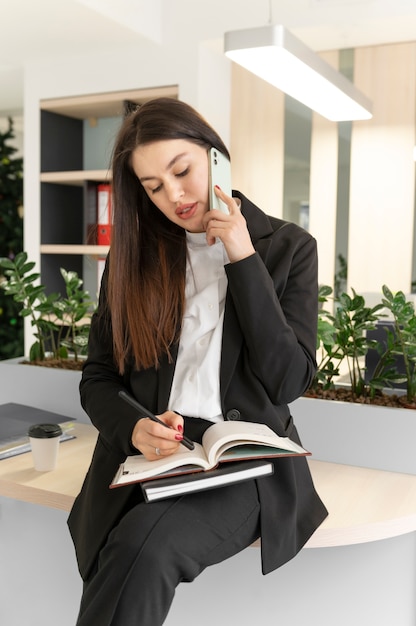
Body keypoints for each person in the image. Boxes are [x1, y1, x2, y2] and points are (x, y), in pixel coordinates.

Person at [68, 97, 328, 625]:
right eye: (153, 187)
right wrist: (135, 428)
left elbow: (288, 380)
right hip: (155, 450)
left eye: (181, 170)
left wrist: (242, 255)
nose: (175, 196)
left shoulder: (289, 248)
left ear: (216, 156)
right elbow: (98, 376)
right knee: (126, 551)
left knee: (145, 547)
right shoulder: (132, 257)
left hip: (244, 461)